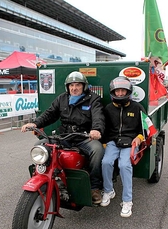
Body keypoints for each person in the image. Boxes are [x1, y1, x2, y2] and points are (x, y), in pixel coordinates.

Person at [21, 71, 105, 204]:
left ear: (84, 86)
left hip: (84, 137)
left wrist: (96, 129)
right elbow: (49, 114)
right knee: (41, 145)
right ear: (67, 87)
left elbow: (98, 116)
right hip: (65, 135)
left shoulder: (93, 99)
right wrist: (35, 123)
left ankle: (94, 187)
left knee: (97, 150)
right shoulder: (62, 98)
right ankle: (45, 178)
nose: (74, 88)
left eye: (78, 85)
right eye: (71, 85)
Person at [101, 76, 147, 217]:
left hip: (131, 143)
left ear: (128, 91)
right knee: (106, 162)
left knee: (124, 165)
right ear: (113, 92)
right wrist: (104, 142)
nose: (120, 93)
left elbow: (144, 129)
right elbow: (104, 128)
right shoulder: (108, 108)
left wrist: (139, 138)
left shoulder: (137, 107)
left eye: (123, 90)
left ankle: (127, 200)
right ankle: (108, 190)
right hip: (113, 142)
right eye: (117, 91)